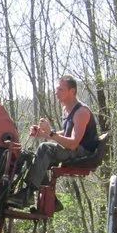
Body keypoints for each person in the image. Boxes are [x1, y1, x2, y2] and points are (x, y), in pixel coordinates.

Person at [10, 76, 100, 207]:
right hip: (74, 147)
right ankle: (53, 201)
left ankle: (27, 194)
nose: (56, 92)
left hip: (84, 152)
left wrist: (50, 133)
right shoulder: (66, 109)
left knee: (45, 149)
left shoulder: (81, 112)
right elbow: (67, 133)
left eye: (60, 89)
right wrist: (43, 134)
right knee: (34, 157)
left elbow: (74, 143)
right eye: (56, 89)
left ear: (72, 91)